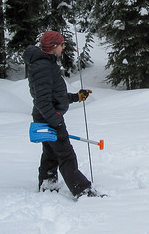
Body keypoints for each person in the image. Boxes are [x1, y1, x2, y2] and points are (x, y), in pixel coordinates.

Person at [23, 30, 96, 198]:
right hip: (48, 117)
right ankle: (82, 190)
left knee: (51, 152)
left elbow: (53, 95)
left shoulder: (46, 64)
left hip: (46, 116)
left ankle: (47, 184)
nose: (63, 47)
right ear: (53, 46)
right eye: (62, 44)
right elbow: (42, 100)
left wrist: (76, 97)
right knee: (66, 154)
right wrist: (55, 120)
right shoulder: (43, 67)